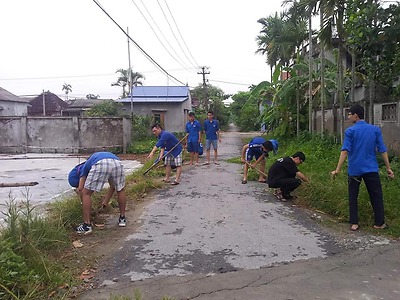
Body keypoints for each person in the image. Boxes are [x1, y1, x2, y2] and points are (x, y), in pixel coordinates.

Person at [331, 104, 394, 231]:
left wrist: (337, 169)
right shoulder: (374, 130)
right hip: (371, 168)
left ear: (356, 115)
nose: (348, 116)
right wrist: (388, 168)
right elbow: (382, 150)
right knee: (376, 195)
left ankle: (354, 223)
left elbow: (345, 151)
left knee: (353, 195)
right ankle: (379, 223)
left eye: (349, 114)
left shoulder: (350, 131)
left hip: (354, 169)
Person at [68, 151, 127, 235]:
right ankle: (122, 219)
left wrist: (82, 201)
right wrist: (105, 202)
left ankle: (86, 226)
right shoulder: (90, 161)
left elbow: (81, 189)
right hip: (117, 162)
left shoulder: (84, 169)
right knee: (120, 189)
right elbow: (112, 187)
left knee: (86, 193)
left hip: (101, 163)